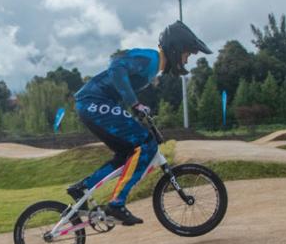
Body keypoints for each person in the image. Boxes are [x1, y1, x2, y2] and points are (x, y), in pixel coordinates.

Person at [67, 20, 212, 225]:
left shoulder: (152, 67)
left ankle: (83, 187)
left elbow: (119, 86)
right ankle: (116, 203)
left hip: (93, 105)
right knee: (147, 143)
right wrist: (134, 103)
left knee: (128, 153)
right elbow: (116, 67)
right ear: (176, 49)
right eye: (187, 54)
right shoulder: (150, 58)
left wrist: (137, 110)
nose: (186, 61)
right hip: (93, 102)